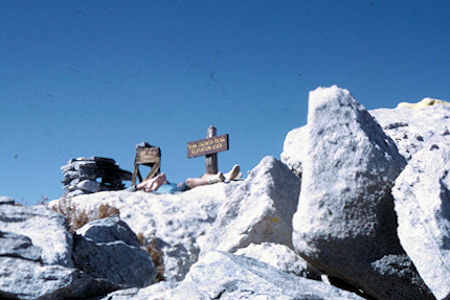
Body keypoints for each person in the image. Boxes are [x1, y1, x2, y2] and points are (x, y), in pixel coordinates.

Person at [128, 165, 241, 193]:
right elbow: (142, 188)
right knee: (189, 181)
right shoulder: (148, 187)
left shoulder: (168, 183)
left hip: (177, 188)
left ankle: (226, 176)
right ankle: (216, 179)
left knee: (203, 175)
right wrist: (155, 182)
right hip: (174, 193)